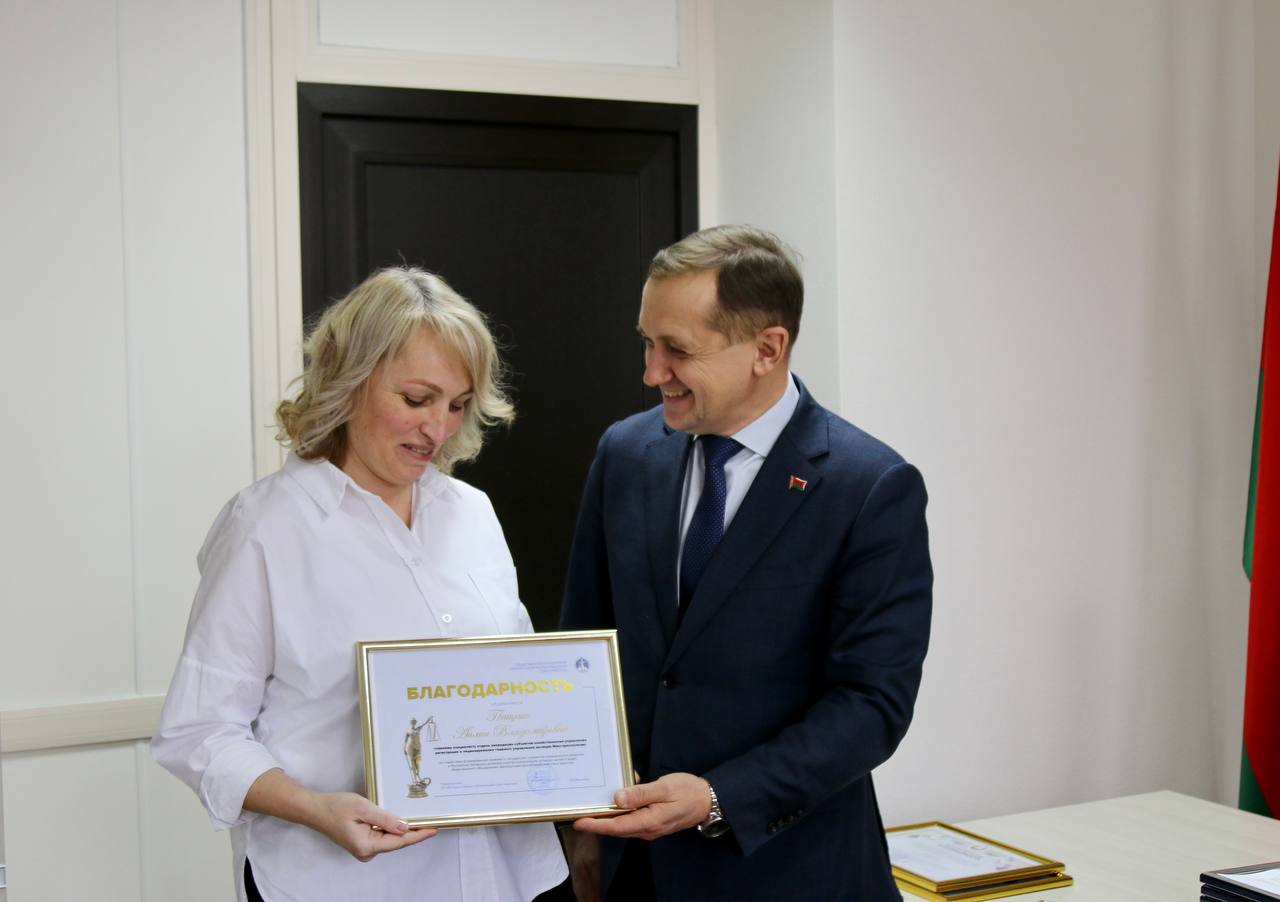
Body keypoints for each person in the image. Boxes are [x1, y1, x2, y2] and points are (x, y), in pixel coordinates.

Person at [152, 267, 568, 902]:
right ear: (348, 382)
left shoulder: (472, 513)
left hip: (510, 877)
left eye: (457, 404)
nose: (439, 429)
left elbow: (514, 686)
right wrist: (315, 808)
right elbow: (199, 732)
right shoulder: (265, 528)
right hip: (345, 883)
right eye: (417, 399)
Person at [558, 226, 932, 901]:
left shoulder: (869, 487)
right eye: (647, 342)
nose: (652, 372)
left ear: (767, 349)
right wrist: (574, 829)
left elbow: (871, 705)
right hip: (632, 872)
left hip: (791, 873)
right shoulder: (624, 455)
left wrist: (716, 797)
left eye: (678, 350)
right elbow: (580, 647)